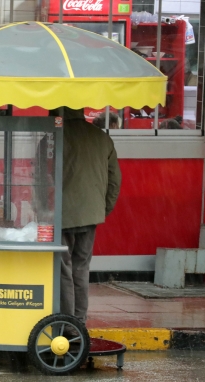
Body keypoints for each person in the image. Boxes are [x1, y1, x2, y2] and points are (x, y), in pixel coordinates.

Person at [58, 107, 121, 323]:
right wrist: (102, 209)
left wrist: (42, 209)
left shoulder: (53, 136)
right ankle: (79, 320)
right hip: (91, 214)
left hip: (61, 215)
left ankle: (66, 322)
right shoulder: (101, 138)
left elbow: (41, 175)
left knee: (62, 268)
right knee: (81, 267)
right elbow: (114, 181)